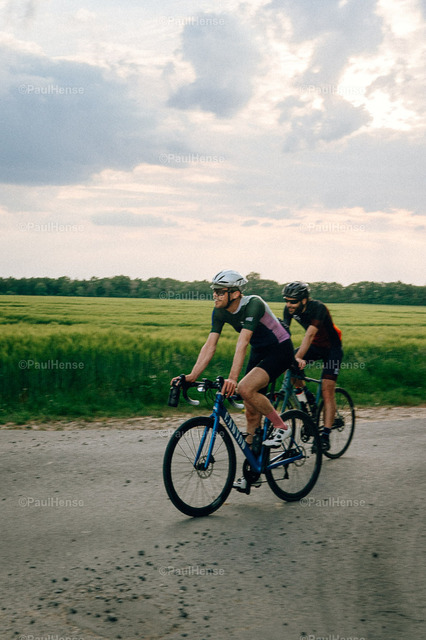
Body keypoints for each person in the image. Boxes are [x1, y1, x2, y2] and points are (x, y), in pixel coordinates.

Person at [172, 269, 296, 493]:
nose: (215, 295)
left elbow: (242, 343)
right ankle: (252, 472)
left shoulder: (253, 304)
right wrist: (192, 376)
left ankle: (281, 426)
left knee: (245, 388)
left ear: (236, 293)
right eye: (214, 291)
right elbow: (210, 345)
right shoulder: (219, 311)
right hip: (260, 351)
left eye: (220, 291)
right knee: (250, 413)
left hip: (280, 348)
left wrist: (232, 378)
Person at [282, 281, 343, 451]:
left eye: (293, 301)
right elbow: (284, 334)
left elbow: (309, 335)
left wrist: (298, 357)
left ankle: (325, 436)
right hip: (316, 347)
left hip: (332, 349)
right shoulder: (289, 310)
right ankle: (306, 398)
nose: (289, 305)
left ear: (304, 300)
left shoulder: (318, 308)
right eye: (286, 300)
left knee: (327, 390)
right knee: (288, 365)